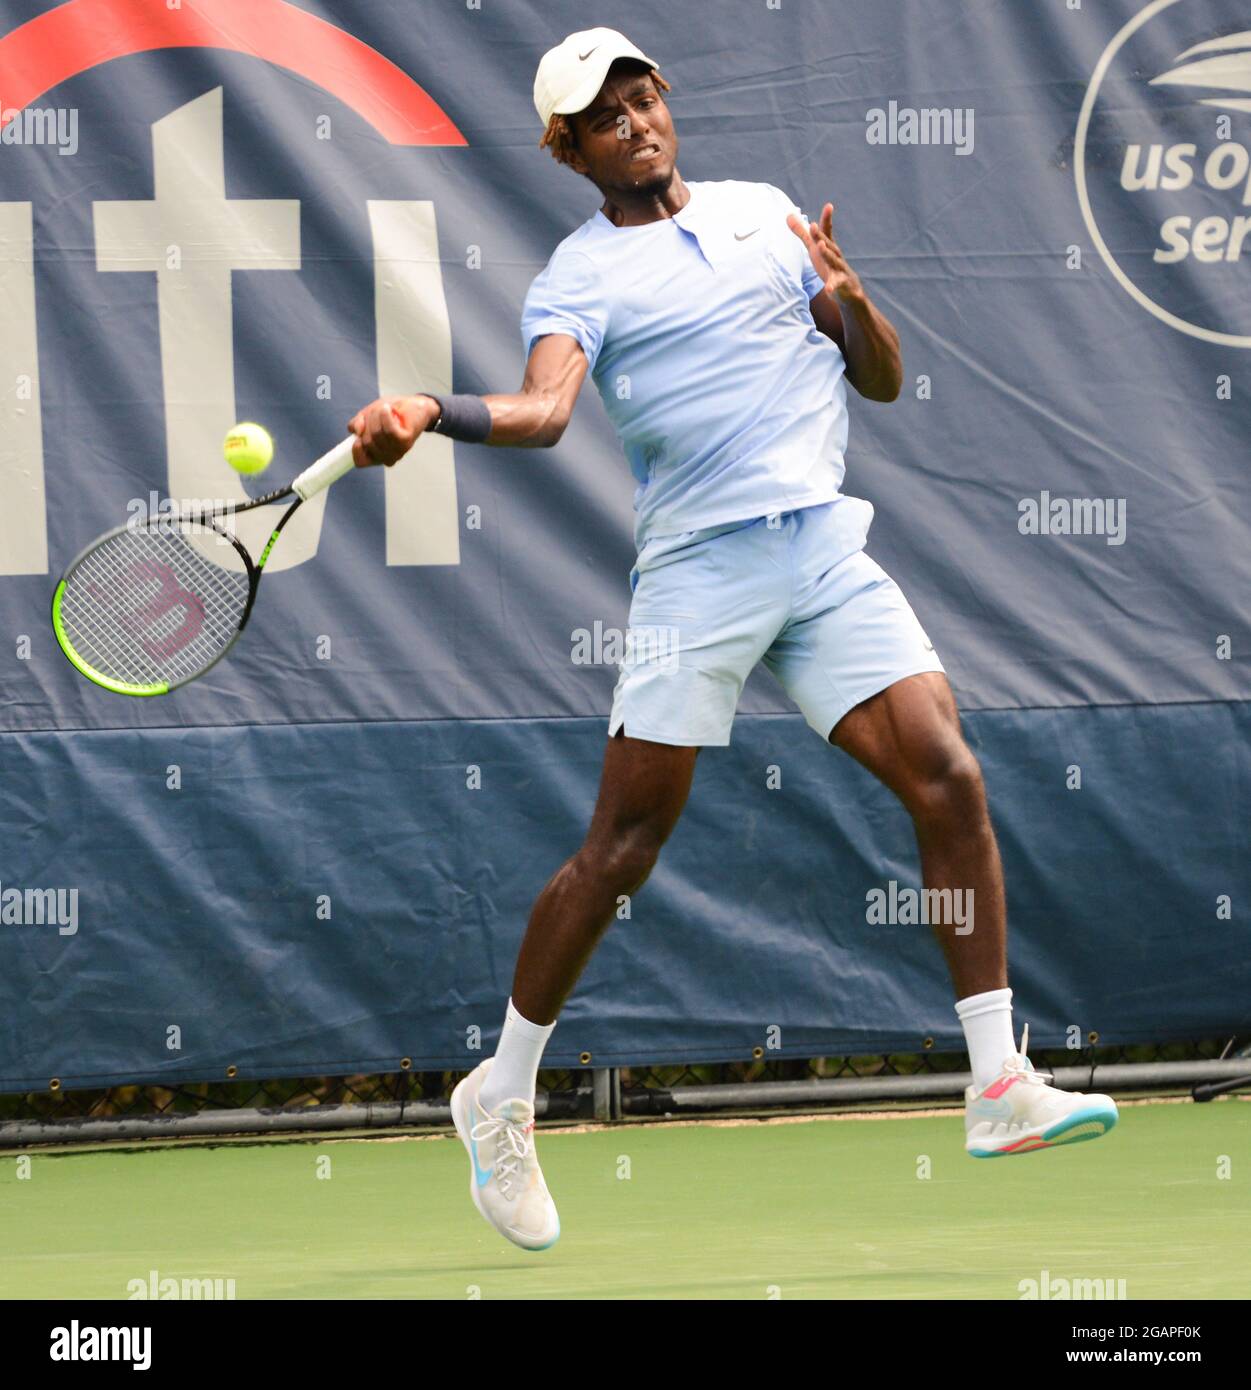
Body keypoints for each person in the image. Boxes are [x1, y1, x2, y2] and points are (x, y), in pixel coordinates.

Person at [347, 27, 1118, 1253]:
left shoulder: (767, 216)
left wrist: (854, 303)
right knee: (624, 846)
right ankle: (499, 1089)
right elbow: (546, 413)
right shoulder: (579, 275)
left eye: (643, 99)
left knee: (950, 775)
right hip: (699, 572)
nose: (636, 123)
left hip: (818, 548)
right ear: (572, 152)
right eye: (606, 118)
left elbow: (879, 379)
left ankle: (995, 1081)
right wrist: (431, 409)